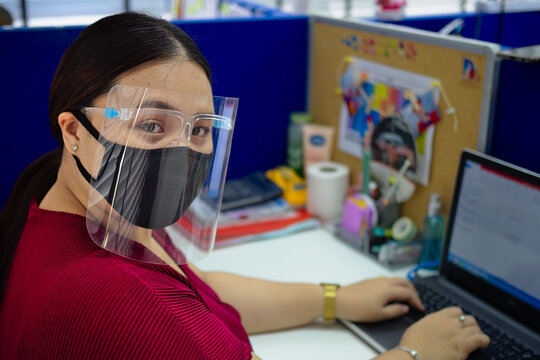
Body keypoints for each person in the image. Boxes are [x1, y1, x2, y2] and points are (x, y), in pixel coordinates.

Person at [0, 12, 489, 360]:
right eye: (151, 125)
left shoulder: (86, 209)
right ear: (73, 131)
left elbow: (198, 289)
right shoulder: (109, 296)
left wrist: (334, 299)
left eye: (198, 130)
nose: (182, 150)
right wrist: (416, 353)